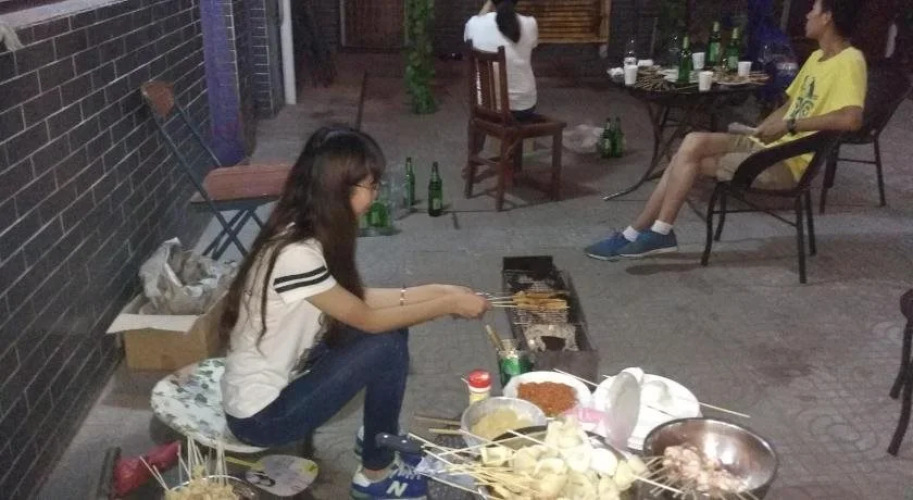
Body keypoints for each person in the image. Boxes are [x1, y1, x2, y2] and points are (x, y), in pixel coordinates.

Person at [219, 126, 490, 499]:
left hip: (286, 374)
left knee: (393, 333)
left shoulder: (305, 228)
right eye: (371, 185)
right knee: (385, 346)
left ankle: (377, 437)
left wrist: (441, 291)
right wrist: (446, 305)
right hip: (262, 417)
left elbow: (356, 300)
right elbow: (367, 318)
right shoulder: (297, 254)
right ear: (341, 190)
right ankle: (375, 476)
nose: (375, 194)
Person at [585, 0, 867, 261]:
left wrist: (790, 125)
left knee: (684, 159)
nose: (807, 15)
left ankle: (641, 233)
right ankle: (649, 233)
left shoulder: (850, 61)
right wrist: (765, 126)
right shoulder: (817, 58)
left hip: (787, 162)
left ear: (827, 17)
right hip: (769, 147)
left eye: (814, 9)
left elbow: (851, 119)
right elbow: (790, 106)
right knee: (691, 143)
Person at [464, 0, 539, 120]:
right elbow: (532, 46)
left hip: (483, 105)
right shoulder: (530, 23)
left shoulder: (473, 23)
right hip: (523, 107)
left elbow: (471, 33)